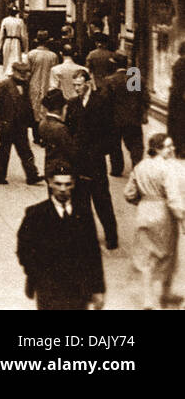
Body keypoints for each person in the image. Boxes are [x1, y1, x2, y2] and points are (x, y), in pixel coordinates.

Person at [16, 167, 105, 310]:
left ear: (74, 184)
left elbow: (93, 253)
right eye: (58, 184)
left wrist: (98, 288)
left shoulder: (83, 214)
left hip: (78, 289)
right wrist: (38, 276)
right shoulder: (36, 214)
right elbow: (24, 250)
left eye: (67, 184)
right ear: (50, 183)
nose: (63, 189)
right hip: (49, 289)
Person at [124, 134, 181, 309]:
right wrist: (181, 217)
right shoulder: (167, 168)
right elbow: (173, 198)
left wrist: (143, 202)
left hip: (144, 212)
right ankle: (164, 293)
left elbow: (129, 193)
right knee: (166, 255)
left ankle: (148, 300)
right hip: (163, 214)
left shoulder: (140, 166)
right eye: (167, 147)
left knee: (146, 258)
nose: (172, 149)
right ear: (157, 149)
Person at [65, 67, 119, 249]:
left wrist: (100, 151)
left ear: (88, 84)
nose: (76, 88)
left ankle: (111, 236)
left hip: (95, 160)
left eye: (79, 85)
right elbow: (69, 130)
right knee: (81, 200)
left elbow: (111, 132)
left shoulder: (101, 102)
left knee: (101, 199)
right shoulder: (72, 104)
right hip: (78, 160)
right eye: (74, 85)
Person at [0, 60, 43, 186]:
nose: (23, 75)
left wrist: (31, 121)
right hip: (7, 125)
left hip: (21, 125)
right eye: (20, 72)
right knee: (4, 151)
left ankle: (32, 175)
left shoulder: (25, 85)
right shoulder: (4, 85)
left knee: (26, 151)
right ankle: (0, 176)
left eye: (25, 72)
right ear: (13, 72)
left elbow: (27, 104)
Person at [103, 53, 147, 178]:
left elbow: (105, 101)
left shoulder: (110, 80)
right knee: (135, 144)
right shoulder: (134, 78)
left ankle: (116, 169)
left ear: (114, 64)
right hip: (133, 117)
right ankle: (137, 167)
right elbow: (142, 98)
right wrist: (143, 113)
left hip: (114, 119)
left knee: (115, 145)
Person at [24, 31, 59, 137]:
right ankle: (45, 135)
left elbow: (26, 72)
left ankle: (36, 136)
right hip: (48, 85)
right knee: (46, 109)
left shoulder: (31, 54)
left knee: (35, 109)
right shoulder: (53, 56)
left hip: (34, 84)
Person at [36, 90, 77, 177]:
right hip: (62, 169)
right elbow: (71, 151)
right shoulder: (60, 128)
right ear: (60, 109)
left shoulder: (43, 123)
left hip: (49, 166)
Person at [0, 3, 28, 73]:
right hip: (16, 42)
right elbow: (23, 36)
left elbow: (1, 35)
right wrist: (25, 47)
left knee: (7, 58)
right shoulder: (20, 21)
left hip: (7, 41)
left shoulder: (5, 20)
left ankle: (7, 72)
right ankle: (15, 72)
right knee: (16, 57)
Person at [168, 40, 185, 153]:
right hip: (180, 100)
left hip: (177, 99)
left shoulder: (178, 63)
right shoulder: (181, 64)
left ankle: (178, 148)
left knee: (177, 125)